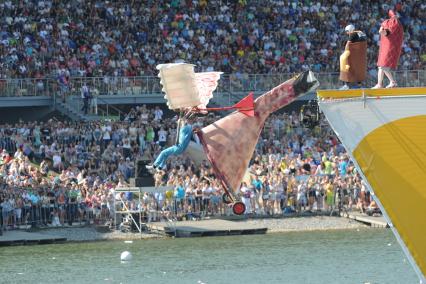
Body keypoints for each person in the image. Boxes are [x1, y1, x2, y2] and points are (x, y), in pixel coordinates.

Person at [372, 10, 404, 89]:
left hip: (387, 48)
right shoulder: (398, 26)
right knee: (380, 67)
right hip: (393, 48)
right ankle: (379, 84)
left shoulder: (389, 25)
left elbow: (384, 32)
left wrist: (380, 30)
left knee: (383, 66)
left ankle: (393, 82)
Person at [339, 24, 367, 90]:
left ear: (350, 30)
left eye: (347, 31)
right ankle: (360, 85)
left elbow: (348, 44)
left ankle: (346, 84)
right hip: (360, 55)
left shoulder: (353, 34)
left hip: (353, 54)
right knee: (359, 68)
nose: (346, 33)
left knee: (345, 65)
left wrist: (345, 52)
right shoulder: (361, 33)